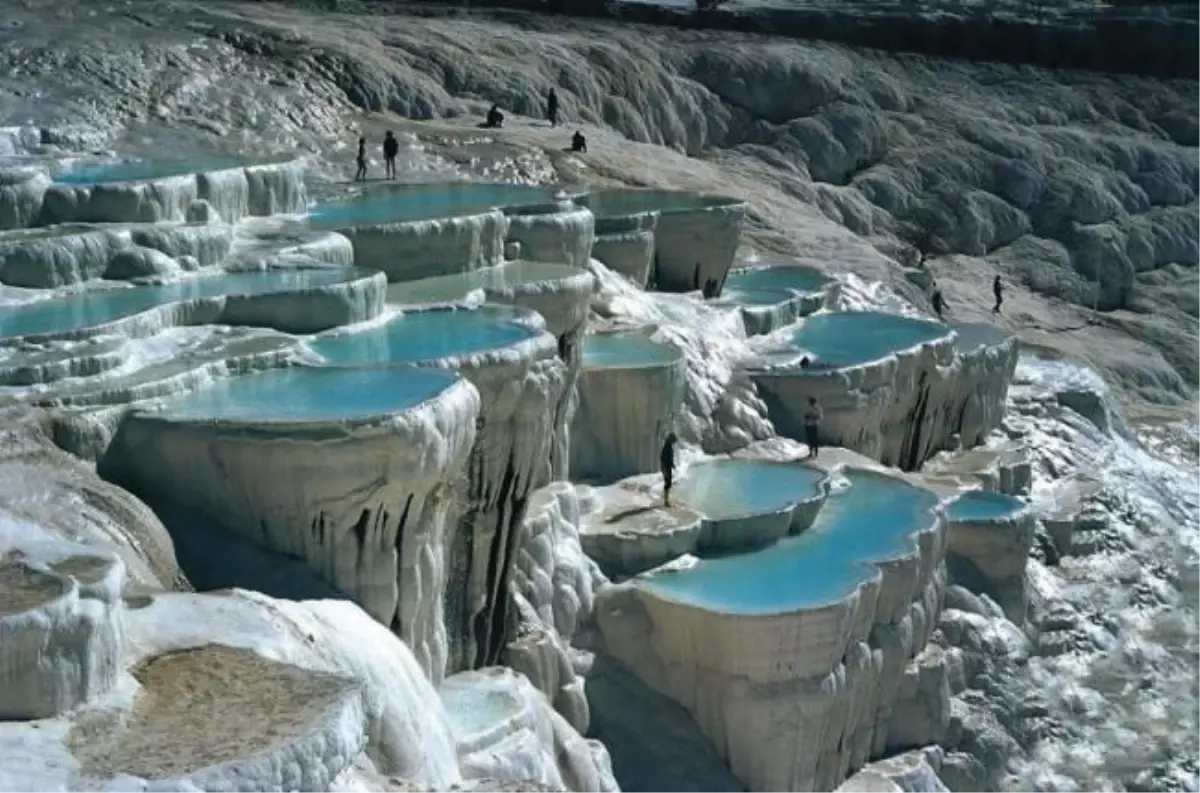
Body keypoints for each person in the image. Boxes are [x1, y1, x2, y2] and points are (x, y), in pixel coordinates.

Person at [660, 432, 678, 507]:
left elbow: (668, 458)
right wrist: (664, 469)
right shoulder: (667, 446)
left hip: (667, 467)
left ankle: (666, 500)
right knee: (668, 483)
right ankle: (666, 501)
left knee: (668, 483)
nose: (674, 442)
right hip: (666, 467)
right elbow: (663, 458)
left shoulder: (668, 445)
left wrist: (672, 464)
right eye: (674, 440)